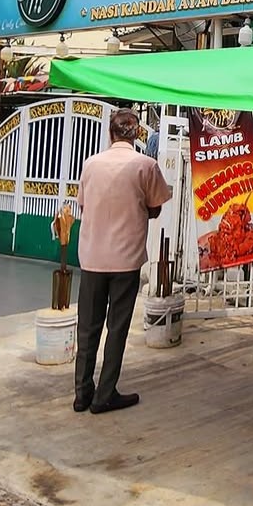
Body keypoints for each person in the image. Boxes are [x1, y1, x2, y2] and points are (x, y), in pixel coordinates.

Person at [74, 109, 171, 415]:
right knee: (117, 328)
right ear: (137, 133)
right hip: (126, 259)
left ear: (110, 133)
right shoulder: (146, 165)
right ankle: (105, 394)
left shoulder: (91, 165)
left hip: (92, 256)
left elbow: (83, 204)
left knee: (87, 327)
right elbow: (155, 208)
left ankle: (82, 392)